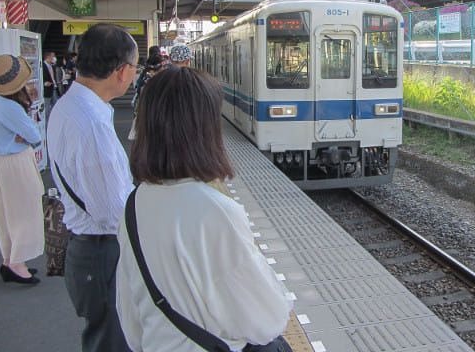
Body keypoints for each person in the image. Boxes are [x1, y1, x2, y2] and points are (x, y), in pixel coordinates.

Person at [117, 67, 293, 352]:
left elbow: (130, 315)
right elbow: (266, 320)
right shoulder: (216, 211)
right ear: (204, 130)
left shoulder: (133, 206)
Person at [47, 23, 137, 352]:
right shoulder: (92, 124)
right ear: (123, 71)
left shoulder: (70, 107)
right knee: (113, 342)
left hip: (90, 253)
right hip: (103, 255)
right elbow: (113, 212)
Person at [0, 54, 44, 285]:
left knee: (7, 213)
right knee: (26, 212)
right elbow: (34, 135)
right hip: (17, 162)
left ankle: (10, 259)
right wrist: (25, 137)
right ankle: (18, 263)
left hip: (1, 161)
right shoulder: (10, 107)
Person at [42, 50, 59, 115]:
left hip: (54, 88)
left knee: (55, 105)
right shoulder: (42, 66)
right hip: (47, 89)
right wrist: (44, 83)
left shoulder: (52, 66)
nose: (54, 58)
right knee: (47, 108)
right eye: (53, 56)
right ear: (48, 57)